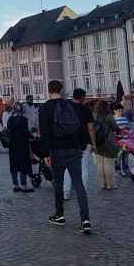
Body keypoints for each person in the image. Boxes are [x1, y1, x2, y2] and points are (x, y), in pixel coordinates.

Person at [38, 80, 91, 234]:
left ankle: (59, 215)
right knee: (78, 183)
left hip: (56, 150)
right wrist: (82, 147)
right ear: (61, 90)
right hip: (73, 148)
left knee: (58, 182)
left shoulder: (45, 107)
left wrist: (45, 154)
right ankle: (85, 220)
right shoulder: (71, 105)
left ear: (48, 90)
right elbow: (81, 126)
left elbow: (44, 132)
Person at [63, 89, 97, 200]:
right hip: (84, 140)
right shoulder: (85, 110)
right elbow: (90, 128)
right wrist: (94, 143)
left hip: (68, 141)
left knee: (68, 167)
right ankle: (82, 192)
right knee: (83, 167)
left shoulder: (65, 107)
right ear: (82, 97)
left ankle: (66, 192)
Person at [92, 100, 122, 189]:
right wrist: (121, 132)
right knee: (108, 163)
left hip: (98, 141)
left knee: (100, 163)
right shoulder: (109, 116)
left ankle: (102, 184)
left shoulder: (94, 116)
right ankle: (110, 184)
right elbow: (116, 128)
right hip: (108, 141)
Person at [6, 102, 34, 193]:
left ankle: (15, 185)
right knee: (23, 164)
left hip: (12, 145)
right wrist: (33, 137)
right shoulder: (23, 119)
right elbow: (26, 132)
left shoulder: (10, 119)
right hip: (22, 145)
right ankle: (24, 185)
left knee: (13, 165)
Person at [112, 103, 131, 177]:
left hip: (126, 140)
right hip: (117, 141)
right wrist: (121, 128)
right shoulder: (113, 119)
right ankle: (117, 170)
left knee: (125, 156)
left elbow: (129, 126)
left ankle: (126, 169)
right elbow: (112, 129)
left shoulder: (124, 118)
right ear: (114, 111)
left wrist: (128, 127)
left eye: (121, 111)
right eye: (119, 111)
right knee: (118, 156)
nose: (121, 112)